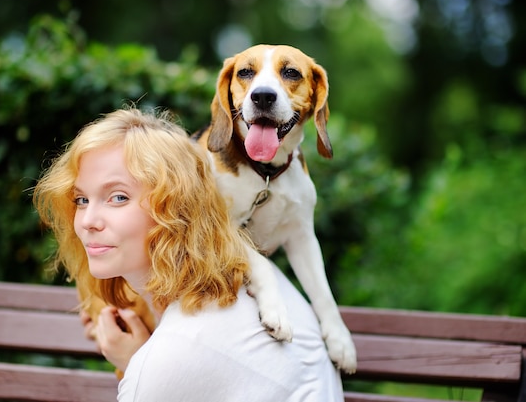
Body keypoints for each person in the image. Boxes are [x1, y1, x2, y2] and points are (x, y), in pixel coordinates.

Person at [33, 108, 344, 402]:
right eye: (81, 199)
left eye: (118, 197)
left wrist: (136, 363)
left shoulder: (171, 358)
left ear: (177, 207)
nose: (87, 221)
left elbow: (180, 364)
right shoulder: (255, 280)